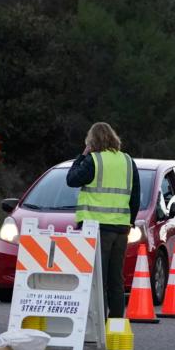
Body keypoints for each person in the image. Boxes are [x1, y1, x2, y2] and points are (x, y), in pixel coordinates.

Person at [66, 122, 141, 319]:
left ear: (92, 141)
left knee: (98, 278)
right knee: (116, 278)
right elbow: (135, 196)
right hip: (121, 227)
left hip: (97, 227)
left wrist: (81, 156)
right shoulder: (127, 161)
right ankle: (116, 323)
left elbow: (71, 179)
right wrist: (129, 222)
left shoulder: (93, 160)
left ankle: (98, 322)